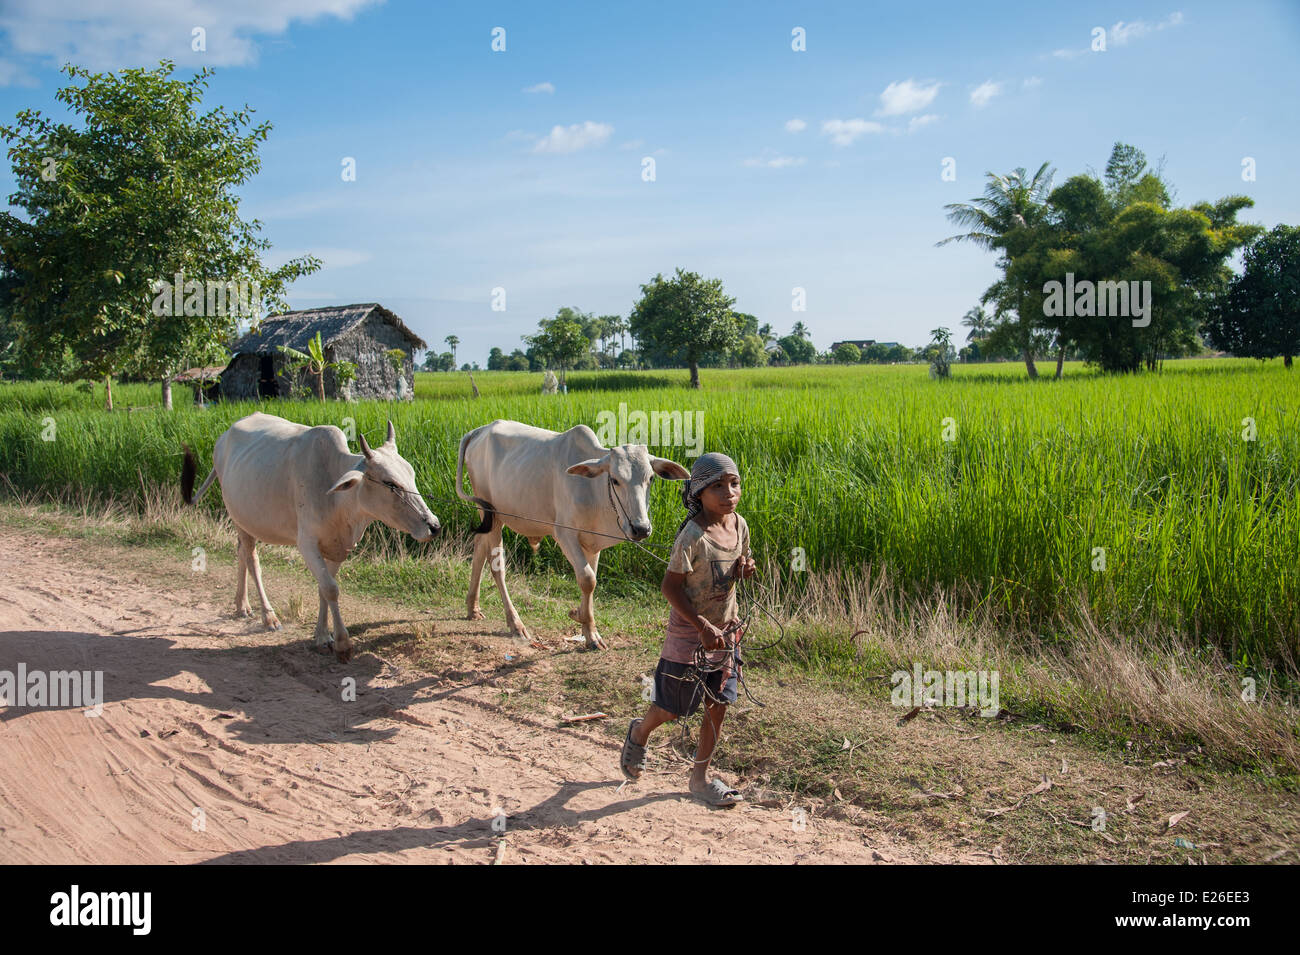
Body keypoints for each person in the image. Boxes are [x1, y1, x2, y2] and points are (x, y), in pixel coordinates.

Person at [619, 452, 755, 806]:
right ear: (698, 492)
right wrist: (701, 624)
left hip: (725, 633)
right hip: (689, 635)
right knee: (672, 707)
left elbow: (732, 567)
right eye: (718, 487)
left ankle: (700, 778)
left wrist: (742, 570)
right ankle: (640, 730)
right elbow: (671, 587)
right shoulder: (692, 536)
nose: (729, 493)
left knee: (718, 703)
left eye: (734, 484)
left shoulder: (739, 525)